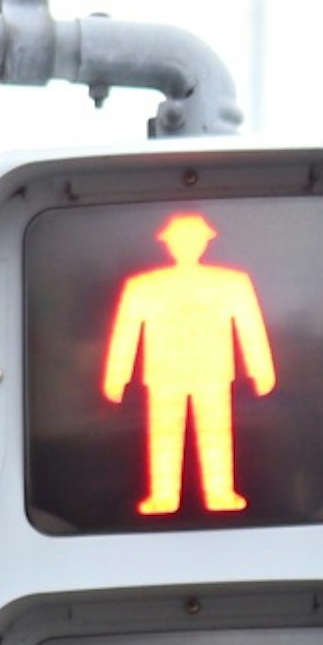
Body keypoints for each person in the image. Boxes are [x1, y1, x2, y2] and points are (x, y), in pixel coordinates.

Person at [99, 213, 276, 516]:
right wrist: (117, 376)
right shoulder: (144, 286)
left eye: (193, 239)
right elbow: (126, 331)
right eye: (180, 240)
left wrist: (261, 368)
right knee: (164, 435)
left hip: (213, 371)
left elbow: (250, 326)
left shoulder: (230, 283)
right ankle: (163, 496)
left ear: (205, 242)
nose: (187, 246)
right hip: (165, 373)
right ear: (168, 244)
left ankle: (220, 493)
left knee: (216, 434)